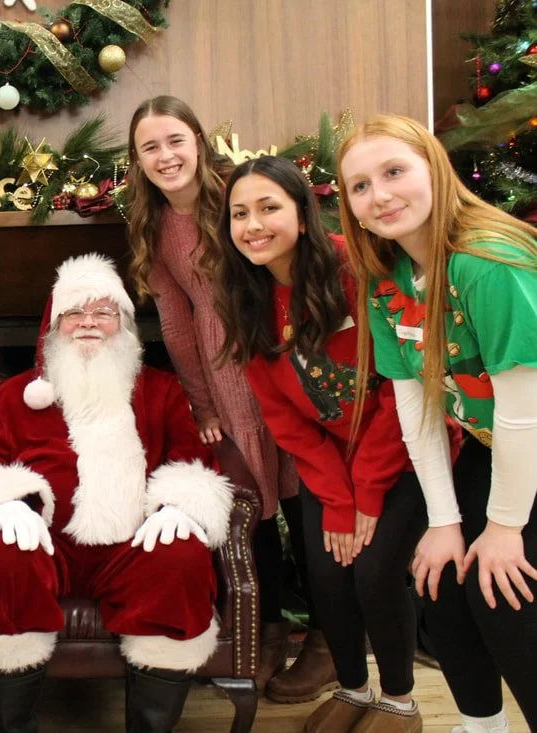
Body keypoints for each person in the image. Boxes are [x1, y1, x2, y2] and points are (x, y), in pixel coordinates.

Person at [214, 155, 453, 732]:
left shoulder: (358, 269)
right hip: (332, 462)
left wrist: (365, 493)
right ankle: (353, 688)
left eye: (269, 207)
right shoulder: (246, 300)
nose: (254, 224)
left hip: (405, 450)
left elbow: (404, 391)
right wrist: (339, 498)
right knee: (324, 570)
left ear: (303, 211)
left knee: (372, 570)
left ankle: (399, 701)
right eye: (240, 213)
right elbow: (284, 420)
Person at [0, 253, 234, 733]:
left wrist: (181, 504)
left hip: (132, 546)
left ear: (123, 323)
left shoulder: (160, 390)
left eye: (103, 312)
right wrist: (7, 501)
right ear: (55, 324)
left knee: (180, 559)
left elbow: (191, 458)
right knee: (2, 561)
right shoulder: (16, 394)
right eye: (75, 312)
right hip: (46, 543)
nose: (88, 324)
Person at [125, 95, 333, 699]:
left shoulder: (238, 195)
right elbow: (177, 322)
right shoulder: (153, 225)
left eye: (175, 141)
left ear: (197, 141)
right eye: (150, 147)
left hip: (279, 348)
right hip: (223, 372)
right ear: (138, 161)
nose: (166, 157)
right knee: (254, 507)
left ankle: (325, 641)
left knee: (306, 498)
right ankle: (264, 634)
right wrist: (203, 403)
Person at [338, 114, 537, 733]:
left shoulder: (487, 263)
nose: (381, 195)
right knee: (441, 579)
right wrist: (445, 522)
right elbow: (416, 408)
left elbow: (525, 412)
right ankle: (483, 727)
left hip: (527, 432)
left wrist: (503, 528)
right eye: (361, 186)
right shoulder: (386, 278)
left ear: (434, 169)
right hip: (489, 440)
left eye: (394, 171)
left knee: (504, 594)